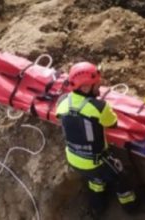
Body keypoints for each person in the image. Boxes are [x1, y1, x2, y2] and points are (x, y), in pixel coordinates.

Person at [56, 62, 137, 217]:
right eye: (96, 84)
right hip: (96, 161)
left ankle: (97, 210)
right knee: (121, 178)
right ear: (85, 88)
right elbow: (112, 123)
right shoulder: (99, 107)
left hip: (73, 159)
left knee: (95, 179)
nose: (99, 87)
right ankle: (131, 208)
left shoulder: (62, 102)